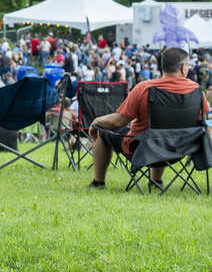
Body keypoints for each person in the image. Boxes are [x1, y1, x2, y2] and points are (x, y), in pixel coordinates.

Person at [88, 47, 209, 189]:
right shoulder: (198, 91)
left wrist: (96, 121)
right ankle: (156, 181)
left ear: (162, 66)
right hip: (182, 149)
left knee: (101, 129)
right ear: (183, 68)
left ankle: (98, 182)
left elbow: (119, 121)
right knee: (161, 133)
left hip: (142, 149)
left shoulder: (144, 88)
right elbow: (202, 122)